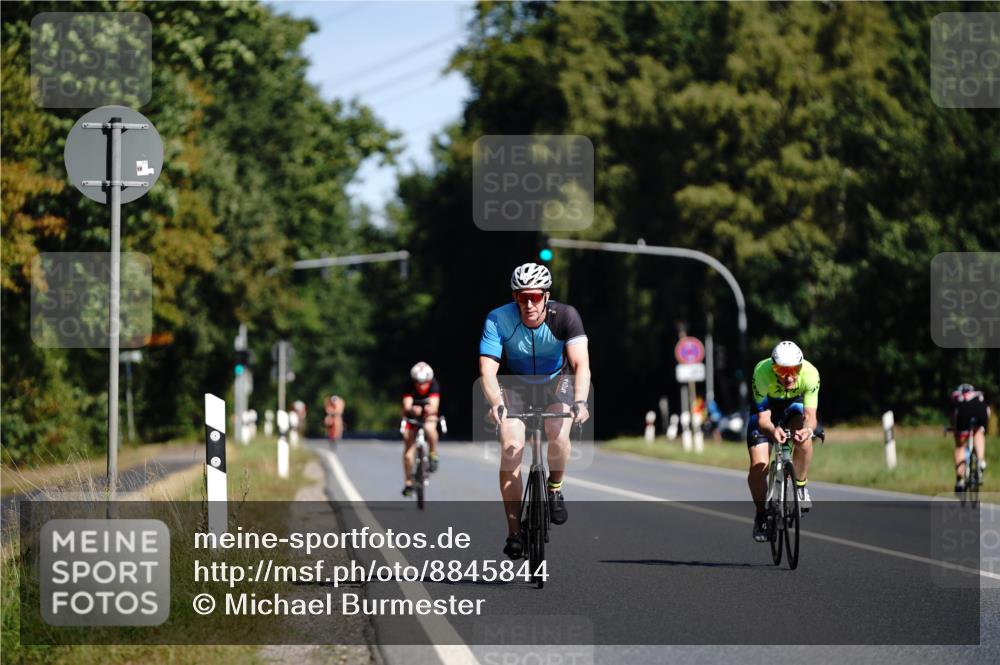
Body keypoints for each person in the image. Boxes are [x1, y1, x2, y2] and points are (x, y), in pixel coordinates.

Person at [479, 262, 591, 560]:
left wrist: (580, 401)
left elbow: (581, 365)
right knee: (511, 447)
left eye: (535, 297)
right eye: (521, 297)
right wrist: (497, 405)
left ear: (546, 295)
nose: (528, 304)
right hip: (515, 386)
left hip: (557, 383)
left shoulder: (565, 316)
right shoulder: (498, 319)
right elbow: (487, 372)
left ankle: (554, 487)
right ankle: (514, 532)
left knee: (557, 433)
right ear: (513, 297)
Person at [746, 341, 824, 542]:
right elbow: (763, 420)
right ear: (773, 367)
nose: (788, 376)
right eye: (781, 370)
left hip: (794, 406)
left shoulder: (810, 374)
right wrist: (773, 430)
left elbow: (810, 415)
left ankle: (800, 485)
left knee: (804, 439)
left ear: (801, 366)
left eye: (794, 369)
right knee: (758, 467)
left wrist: (807, 430)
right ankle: (762, 514)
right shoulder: (761, 373)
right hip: (767, 410)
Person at [401, 361, 441, 496]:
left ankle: (433, 453)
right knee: (408, 453)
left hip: (428, 415)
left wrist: (430, 409)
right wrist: (412, 409)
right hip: (412, 416)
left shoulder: (434, 384)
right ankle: (408, 482)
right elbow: (406, 405)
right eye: (418, 382)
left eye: (425, 382)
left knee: (430, 429)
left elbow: (435, 404)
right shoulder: (409, 385)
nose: (421, 385)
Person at [950, 383, 989, 493]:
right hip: (980, 410)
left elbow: (954, 415)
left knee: (960, 446)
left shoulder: (956, 395)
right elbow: (987, 411)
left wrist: (954, 429)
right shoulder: (978, 394)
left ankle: (960, 480)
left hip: (963, 411)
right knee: (978, 432)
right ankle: (981, 461)